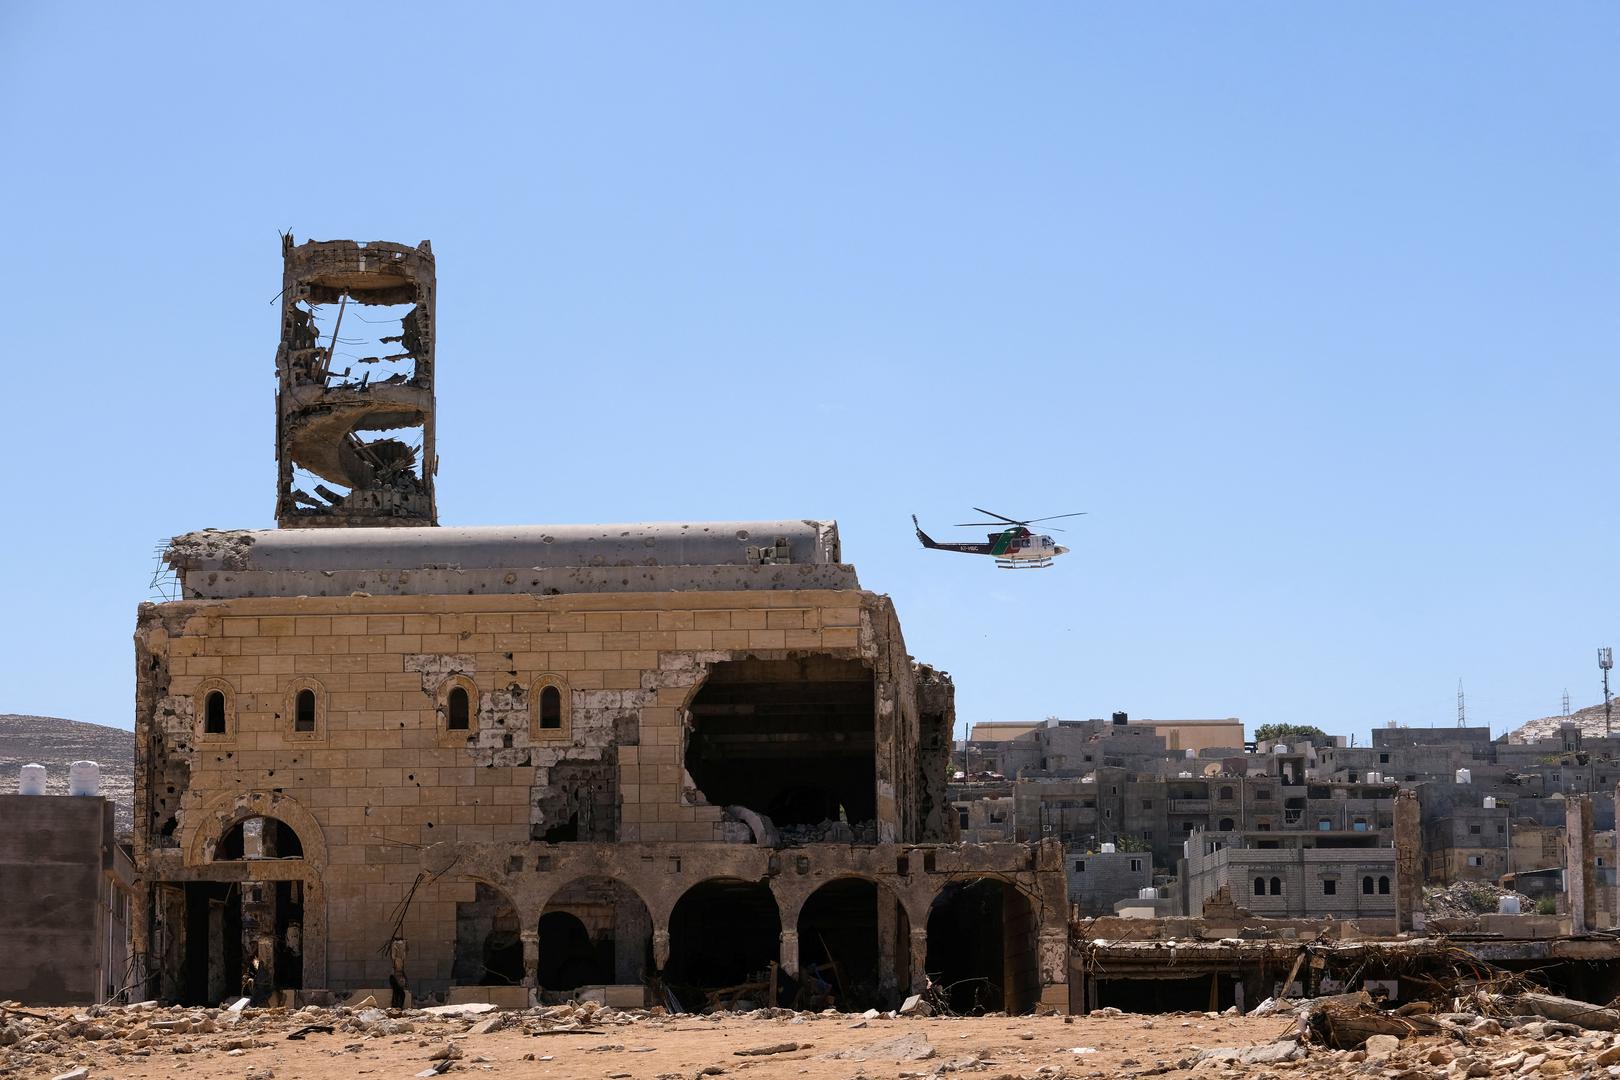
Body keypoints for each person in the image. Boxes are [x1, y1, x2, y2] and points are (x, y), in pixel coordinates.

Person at [388, 935, 409, 1009]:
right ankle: (397, 1006)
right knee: (398, 994)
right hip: (395, 978)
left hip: (397, 978)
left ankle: (397, 1006)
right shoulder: (396, 959)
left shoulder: (399, 960)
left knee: (398, 994)